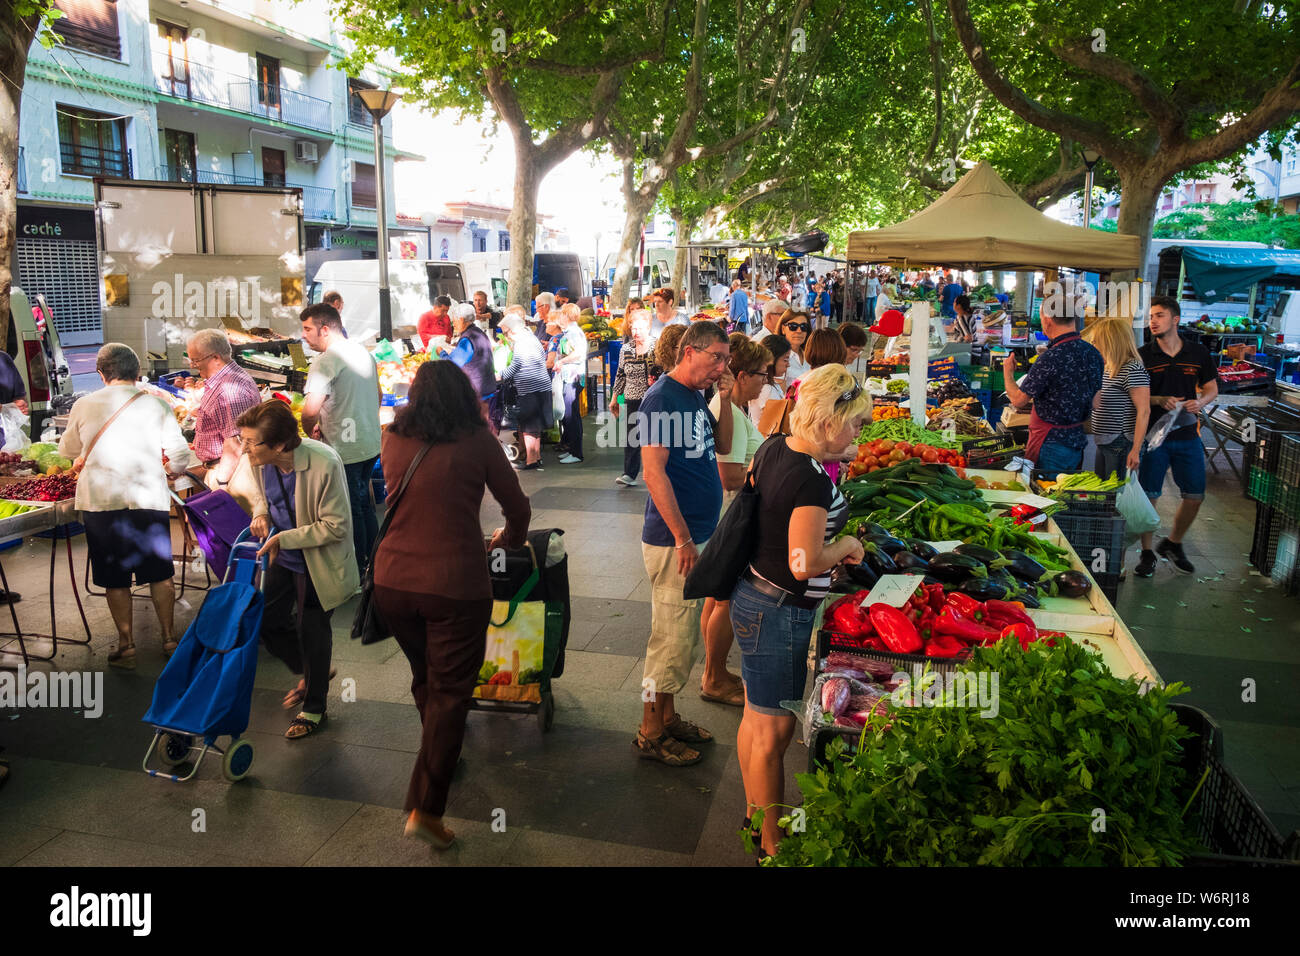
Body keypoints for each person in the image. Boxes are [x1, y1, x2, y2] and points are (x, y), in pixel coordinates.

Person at [372, 360, 531, 850]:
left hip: (392, 580)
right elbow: (517, 506)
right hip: (455, 583)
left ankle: (437, 750)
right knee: (450, 691)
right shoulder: (477, 440)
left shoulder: (393, 436)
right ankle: (426, 805)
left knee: (426, 677)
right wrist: (510, 541)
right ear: (464, 396)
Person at [732, 364, 870, 856]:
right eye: (855, 422)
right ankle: (771, 842)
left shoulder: (775, 445)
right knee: (775, 730)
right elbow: (803, 561)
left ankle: (754, 816)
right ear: (829, 420)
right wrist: (846, 544)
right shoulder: (810, 480)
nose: (858, 432)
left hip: (752, 597)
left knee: (756, 717)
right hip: (779, 611)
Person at [632, 321, 734, 766]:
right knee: (668, 642)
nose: (722, 366)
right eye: (717, 357)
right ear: (689, 351)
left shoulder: (694, 397)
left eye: (726, 359)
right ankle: (650, 730)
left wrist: (726, 397)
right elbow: (653, 472)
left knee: (682, 639)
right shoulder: (661, 398)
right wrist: (683, 538)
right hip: (676, 541)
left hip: (695, 534)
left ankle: (668, 717)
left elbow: (723, 444)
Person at [59, 344, 196, 665]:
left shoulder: (85, 404)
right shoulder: (155, 406)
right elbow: (179, 456)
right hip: (147, 499)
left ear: (101, 373)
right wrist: (169, 473)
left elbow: (68, 451)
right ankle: (168, 638)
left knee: (114, 577)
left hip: (102, 503)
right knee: (160, 573)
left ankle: (126, 643)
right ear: (137, 373)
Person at [239, 400, 356, 739]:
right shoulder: (261, 461)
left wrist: (283, 539)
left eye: (251, 442)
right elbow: (257, 494)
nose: (244, 448)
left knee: (311, 627)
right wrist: (260, 514)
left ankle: (314, 706)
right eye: (243, 440)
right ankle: (311, 670)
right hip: (284, 553)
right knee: (266, 621)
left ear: (278, 445)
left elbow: (336, 526)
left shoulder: (324, 463)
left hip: (318, 561)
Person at [700, 335, 771, 709]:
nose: (766, 381)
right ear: (742, 375)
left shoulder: (733, 409)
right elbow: (729, 474)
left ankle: (714, 669)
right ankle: (713, 676)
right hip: (734, 513)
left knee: (717, 597)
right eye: (761, 374)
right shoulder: (729, 410)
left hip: (728, 514)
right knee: (726, 599)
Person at [1134, 296, 1218, 578]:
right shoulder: (1143, 355)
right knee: (1149, 496)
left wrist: (1201, 403)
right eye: (1151, 317)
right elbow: (1135, 395)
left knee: (1195, 495)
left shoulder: (1198, 353)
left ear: (1175, 319)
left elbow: (1211, 389)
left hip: (1187, 435)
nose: (1153, 321)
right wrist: (1159, 399)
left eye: (1159, 315)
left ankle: (1173, 542)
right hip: (1153, 437)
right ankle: (1147, 553)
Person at [299, 302, 382, 579]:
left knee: (351, 509)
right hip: (369, 442)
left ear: (324, 329)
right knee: (363, 504)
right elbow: (379, 396)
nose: (304, 335)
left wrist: (309, 431)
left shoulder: (326, 361)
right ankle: (375, 560)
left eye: (307, 329)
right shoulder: (361, 351)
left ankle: (358, 569)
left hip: (344, 448)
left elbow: (310, 411)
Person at [1001, 298, 1103, 477]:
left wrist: (1008, 372)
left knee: (1045, 496)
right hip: (1077, 442)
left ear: (1047, 319)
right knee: (1064, 496)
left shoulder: (1051, 357)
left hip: (1049, 445)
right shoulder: (1093, 354)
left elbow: (1018, 400)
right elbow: (1097, 402)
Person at [185, 328, 261, 486]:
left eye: (196, 360)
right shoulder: (226, 380)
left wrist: (222, 483)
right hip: (223, 468)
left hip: (231, 474)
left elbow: (235, 443)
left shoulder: (229, 390)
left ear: (215, 358)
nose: (192, 365)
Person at [1082, 317, 1150, 482]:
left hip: (1121, 442)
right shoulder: (1108, 367)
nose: (1094, 346)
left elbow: (1144, 411)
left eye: (1097, 341)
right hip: (1104, 441)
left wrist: (1135, 449)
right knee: (1102, 492)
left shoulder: (1132, 368)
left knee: (1115, 496)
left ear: (1110, 342)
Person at [498, 313, 553, 471]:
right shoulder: (532, 338)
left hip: (530, 388)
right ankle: (536, 458)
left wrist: (500, 375)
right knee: (535, 427)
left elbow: (515, 365)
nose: (506, 336)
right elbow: (542, 357)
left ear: (512, 330)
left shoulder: (521, 342)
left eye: (506, 332)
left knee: (528, 427)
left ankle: (530, 460)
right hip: (542, 385)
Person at [610, 312, 659, 487]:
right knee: (632, 437)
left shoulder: (656, 346)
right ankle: (629, 474)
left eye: (639, 328)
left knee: (655, 438)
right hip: (632, 398)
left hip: (654, 399)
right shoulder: (626, 349)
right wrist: (615, 398)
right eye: (633, 327)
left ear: (648, 327)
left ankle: (658, 472)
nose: (635, 331)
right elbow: (620, 374)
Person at [438, 302, 497, 420]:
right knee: (486, 429)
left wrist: (441, 352)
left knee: (477, 429)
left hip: (477, 392)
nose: (452, 323)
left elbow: (452, 365)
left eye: (453, 320)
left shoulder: (468, 338)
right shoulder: (479, 333)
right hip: (487, 388)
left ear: (460, 319)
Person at [554, 303, 589, 464]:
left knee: (571, 415)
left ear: (567, 316)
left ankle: (577, 452)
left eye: (561, 314)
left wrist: (562, 362)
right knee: (569, 414)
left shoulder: (574, 332)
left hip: (573, 378)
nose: (559, 317)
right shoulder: (571, 332)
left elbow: (579, 353)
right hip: (570, 377)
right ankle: (573, 449)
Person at [750, 334, 791, 424]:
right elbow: (775, 424)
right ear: (772, 359)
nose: (788, 364)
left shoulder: (771, 384)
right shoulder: (766, 389)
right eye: (785, 360)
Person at [780, 310, 814, 382]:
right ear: (783, 329)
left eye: (803, 326)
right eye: (793, 326)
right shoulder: (778, 358)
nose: (799, 331)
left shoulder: (810, 356)